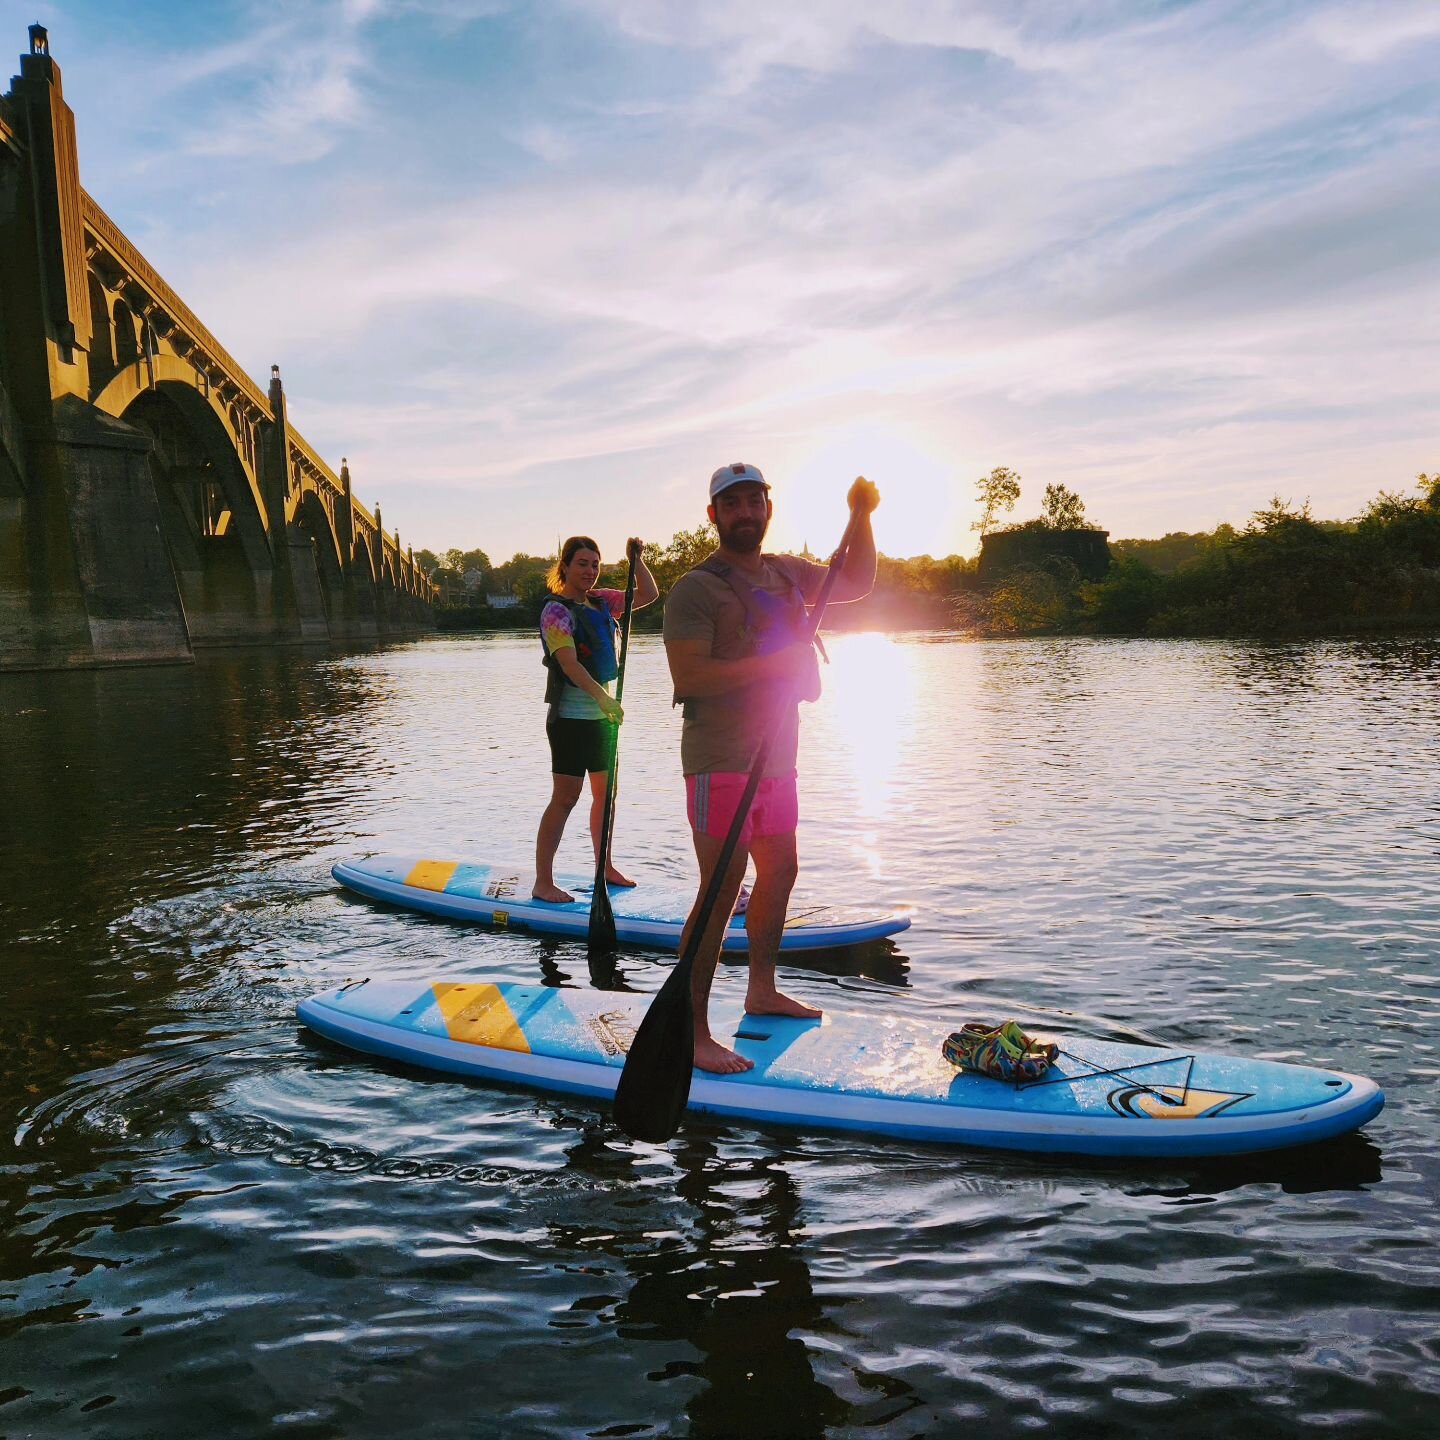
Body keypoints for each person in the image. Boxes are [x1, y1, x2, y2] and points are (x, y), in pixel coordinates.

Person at [663, 463, 879, 1072]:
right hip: (720, 758)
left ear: (768, 508)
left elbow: (857, 579)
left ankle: (761, 989)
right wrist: (779, 663)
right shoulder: (695, 589)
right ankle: (692, 1029)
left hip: (779, 754)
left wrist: (862, 515)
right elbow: (691, 677)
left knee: (780, 870)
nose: (745, 512)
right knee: (720, 890)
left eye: (754, 500)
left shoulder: (789, 573)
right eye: (731, 504)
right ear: (713, 516)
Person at [534, 535, 658, 903]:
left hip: (602, 721)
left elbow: (648, 593)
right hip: (571, 720)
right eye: (582, 564)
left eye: (595, 564)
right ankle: (543, 881)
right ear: (565, 568)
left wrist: (634, 559)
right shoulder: (555, 612)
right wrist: (604, 698)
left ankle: (604, 865)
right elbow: (570, 665)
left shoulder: (603, 601)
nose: (589, 571)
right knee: (565, 798)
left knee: (606, 796)